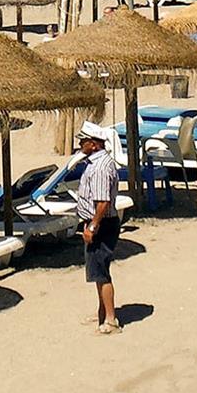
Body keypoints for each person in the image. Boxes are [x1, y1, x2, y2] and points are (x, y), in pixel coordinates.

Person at [73, 121, 121, 334]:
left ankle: (111, 320)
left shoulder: (100, 168)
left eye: (83, 141)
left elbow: (102, 203)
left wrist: (92, 226)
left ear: (93, 144)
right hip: (99, 222)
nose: (80, 144)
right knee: (97, 271)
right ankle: (102, 311)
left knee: (101, 272)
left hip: (101, 224)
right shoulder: (98, 162)